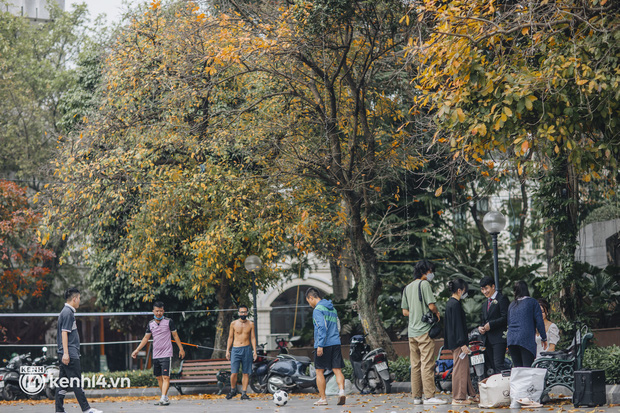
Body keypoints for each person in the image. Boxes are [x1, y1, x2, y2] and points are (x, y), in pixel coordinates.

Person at [401, 259, 447, 405]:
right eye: (430, 271)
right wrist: (437, 314)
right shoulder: (424, 284)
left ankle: (416, 397)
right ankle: (429, 396)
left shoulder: (407, 288)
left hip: (412, 333)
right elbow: (432, 306)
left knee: (415, 365)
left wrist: (415, 313)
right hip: (424, 331)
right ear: (424, 271)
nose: (431, 274)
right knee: (427, 364)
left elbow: (404, 311)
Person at [55, 287, 103, 413]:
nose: (80, 301)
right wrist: (66, 353)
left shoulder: (66, 312)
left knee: (63, 383)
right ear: (74, 298)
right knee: (76, 381)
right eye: (79, 299)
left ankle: (59, 410)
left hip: (67, 352)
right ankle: (86, 409)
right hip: (69, 354)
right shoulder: (67, 313)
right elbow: (64, 333)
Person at [132, 301, 185, 406]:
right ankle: (164, 397)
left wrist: (181, 349)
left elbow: (175, 336)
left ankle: (163, 398)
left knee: (166, 377)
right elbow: (146, 338)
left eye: (161, 311)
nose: (159, 313)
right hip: (156, 354)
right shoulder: (150, 324)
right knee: (159, 377)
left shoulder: (169, 321)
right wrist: (137, 350)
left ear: (163, 311)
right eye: (157, 311)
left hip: (166, 353)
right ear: (153, 311)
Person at [305, 287, 346, 406]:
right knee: (337, 369)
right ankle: (342, 392)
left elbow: (322, 327)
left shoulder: (318, 310)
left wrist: (320, 345)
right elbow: (338, 325)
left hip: (324, 344)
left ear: (311, 298)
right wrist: (336, 337)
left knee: (319, 371)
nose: (309, 304)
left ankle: (323, 399)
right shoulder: (332, 309)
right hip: (336, 342)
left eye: (308, 301)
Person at [444, 279, 477, 405]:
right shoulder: (456, 304)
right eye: (464, 291)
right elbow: (458, 325)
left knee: (463, 368)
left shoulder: (450, 303)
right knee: (460, 369)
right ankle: (458, 398)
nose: (465, 293)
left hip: (454, 341)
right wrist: (462, 343)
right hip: (459, 342)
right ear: (459, 290)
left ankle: (471, 394)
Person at [506, 281, 547, 367]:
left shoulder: (511, 305)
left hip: (511, 340)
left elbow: (509, 322)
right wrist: (544, 337)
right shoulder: (532, 302)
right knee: (527, 369)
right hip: (525, 339)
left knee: (518, 368)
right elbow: (539, 321)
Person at [225, 305, 257, 400]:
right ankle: (233, 390)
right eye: (241, 312)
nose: (243, 313)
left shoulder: (251, 324)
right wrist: (227, 350)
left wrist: (254, 351)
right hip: (236, 349)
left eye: (245, 312)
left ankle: (244, 393)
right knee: (234, 372)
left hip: (247, 349)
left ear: (247, 312)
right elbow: (230, 338)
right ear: (238, 313)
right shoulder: (233, 324)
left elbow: (253, 338)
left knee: (245, 373)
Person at [478, 276, 509, 374]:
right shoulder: (484, 304)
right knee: (491, 366)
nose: (484, 292)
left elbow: (506, 317)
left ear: (493, 286)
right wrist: (481, 327)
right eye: (482, 289)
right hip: (487, 340)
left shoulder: (502, 299)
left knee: (498, 364)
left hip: (499, 338)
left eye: (486, 288)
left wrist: (491, 324)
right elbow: (483, 320)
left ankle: (502, 388)